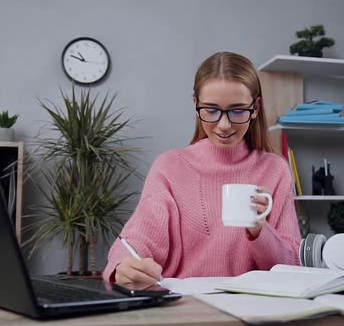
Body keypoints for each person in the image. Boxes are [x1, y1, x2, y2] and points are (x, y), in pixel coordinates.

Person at [102, 51, 301, 286]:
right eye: (211, 110)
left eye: (238, 111)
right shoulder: (169, 167)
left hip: (255, 312)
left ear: (255, 107)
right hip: (186, 310)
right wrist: (122, 267)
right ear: (196, 104)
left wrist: (260, 230)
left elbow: (292, 267)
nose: (224, 125)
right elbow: (138, 239)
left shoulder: (274, 169)